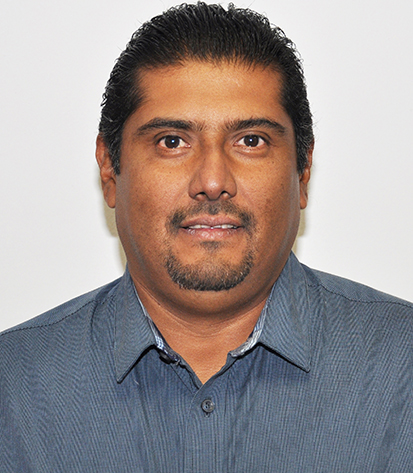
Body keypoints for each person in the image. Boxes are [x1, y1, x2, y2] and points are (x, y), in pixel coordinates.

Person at [1, 2, 413, 471]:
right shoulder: (13, 387)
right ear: (110, 170)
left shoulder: (403, 364)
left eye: (251, 140)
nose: (213, 181)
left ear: (303, 172)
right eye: (172, 141)